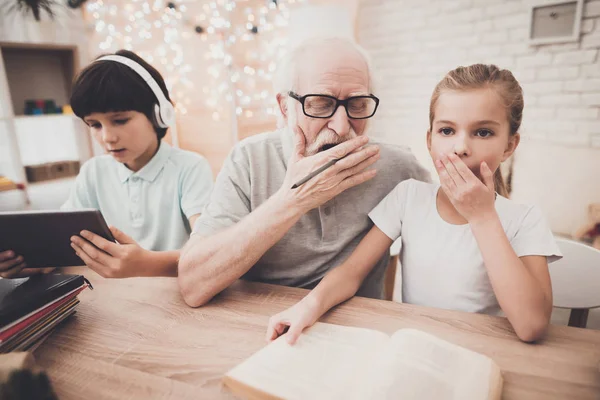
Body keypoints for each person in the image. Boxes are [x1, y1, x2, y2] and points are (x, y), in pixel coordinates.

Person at [266, 64, 562, 343]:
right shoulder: (408, 197)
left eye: (483, 132)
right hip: (416, 348)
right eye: (447, 131)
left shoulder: (525, 219)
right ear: (430, 140)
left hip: (483, 351)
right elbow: (351, 273)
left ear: (510, 145)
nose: (460, 148)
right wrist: (307, 307)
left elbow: (531, 326)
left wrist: (483, 217)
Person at [178, 37, 430, 307]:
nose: (342, 127)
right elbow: (194, 285)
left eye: (357, 104)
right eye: (321, 103)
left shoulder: (397, 166)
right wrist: (292, 200)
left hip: (357, 332)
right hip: (260, 328)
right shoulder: (250, 159)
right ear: (285, 107)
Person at [0, 50, 213, 279]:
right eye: (94, 125)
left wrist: (146, 264)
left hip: (175, 294)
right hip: (112, 296)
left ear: (160, 114)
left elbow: (210, 250)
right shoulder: (93, 172)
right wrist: (31, 264)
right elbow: (66, 245)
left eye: (120, 120)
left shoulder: (190, 168)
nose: (107, 137)